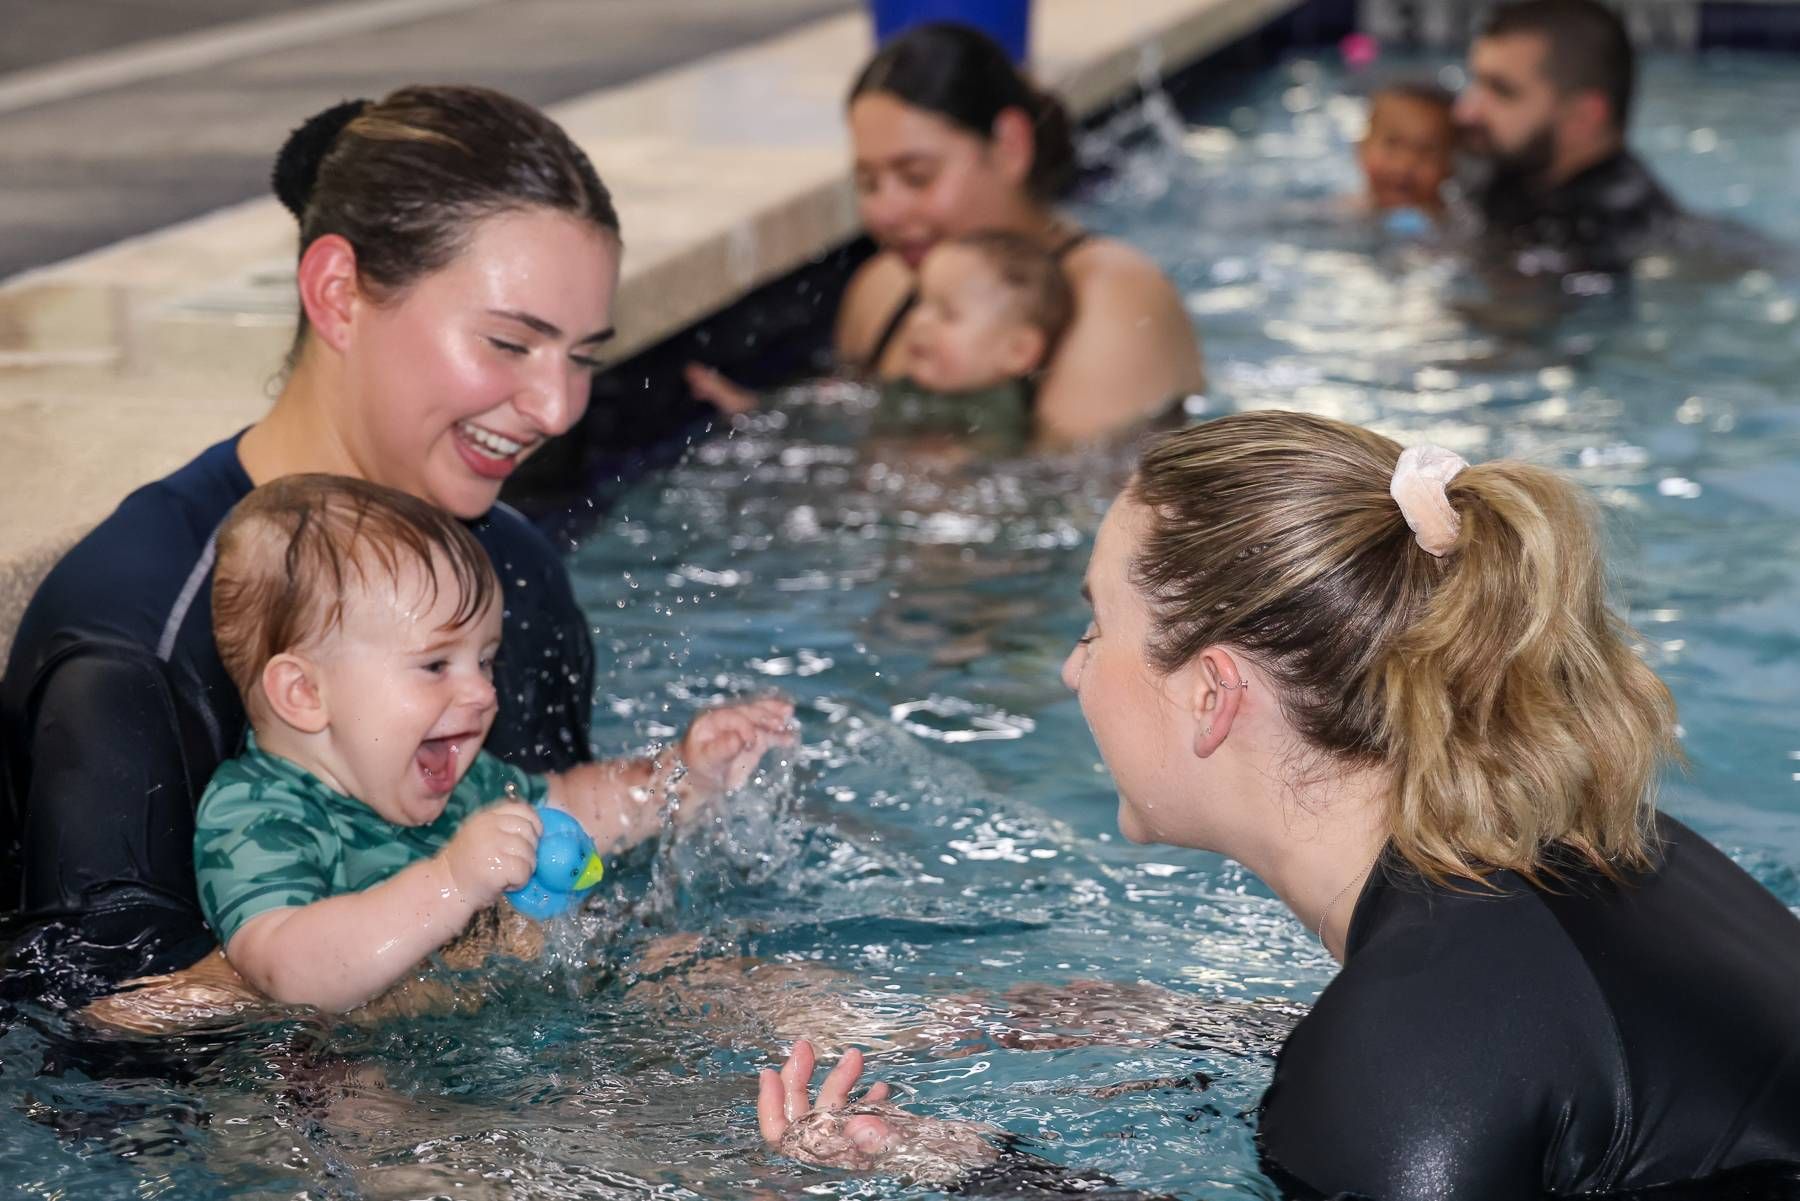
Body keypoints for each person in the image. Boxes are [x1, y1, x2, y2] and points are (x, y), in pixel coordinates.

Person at [758, 411, 1800, 1197]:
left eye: (1094, 628)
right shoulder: (1620, 851)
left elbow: (1441, 1084)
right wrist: (1204, 1028)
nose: (1075, 675)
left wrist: (978, 1172)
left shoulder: (1407, 1056)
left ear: (1213, 695)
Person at [1, 85, 623, 1001]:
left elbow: (578, 906)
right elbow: (93, 1031)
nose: (559, 408)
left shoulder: (514, 572)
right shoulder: (139, 638)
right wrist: (431, 915)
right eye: (508, 342)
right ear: (338, 294)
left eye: (583, 356)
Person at [194, 475, 792, 1013]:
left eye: (484, 660)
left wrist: (680, 774)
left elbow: (572, 805)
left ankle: (850, 1043)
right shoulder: (260, 814)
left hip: (491, 1016)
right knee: (356, 1101)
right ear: (304, 693)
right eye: (435, 666)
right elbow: (285, 968)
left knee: (707, 968)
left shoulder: (459, 778)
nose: (482, 692)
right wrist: (452, 881)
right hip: (345, 1067)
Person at [833, 22, 1203, 445]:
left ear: (1010, 146)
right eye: (868, 184)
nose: (885, 212)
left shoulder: (1116, 297)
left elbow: (1091, 499)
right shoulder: (881, 289)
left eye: (917, 177)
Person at [689, 229, 1075, 453]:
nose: (919, 321)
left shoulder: (996, 416)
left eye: (948, 314)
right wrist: (757, 408)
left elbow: (987, 468)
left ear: (1016, 352)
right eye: (920, 302)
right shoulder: (908, 387)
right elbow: (830, 409)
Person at [1456, 0, 1680, 274]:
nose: (1466, 112)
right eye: (1476, 82)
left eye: (1502, 92)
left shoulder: (1610, 239)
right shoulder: (1513, 171)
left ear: (1581, 118)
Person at [1355, 81, 1456, 222]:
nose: (1404, 166)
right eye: (1392, 143)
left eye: (1426, 151)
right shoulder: (1345, 212)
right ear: (1361, 148)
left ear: (1449, 167)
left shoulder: (1452, 225)